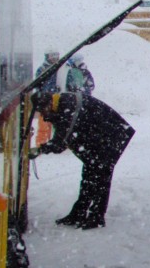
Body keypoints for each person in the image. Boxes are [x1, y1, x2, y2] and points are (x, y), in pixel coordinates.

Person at [30, 90, 135, 229]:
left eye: (43, 111)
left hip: (113, 136)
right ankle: (78, 213)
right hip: (100, 138)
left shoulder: (68, 107)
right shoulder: (61, 105)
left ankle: (96, 218)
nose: (43, 116)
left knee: (101, 176)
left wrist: (39, 150)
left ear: (48, 103)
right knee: (89, 175)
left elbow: (60, 142)